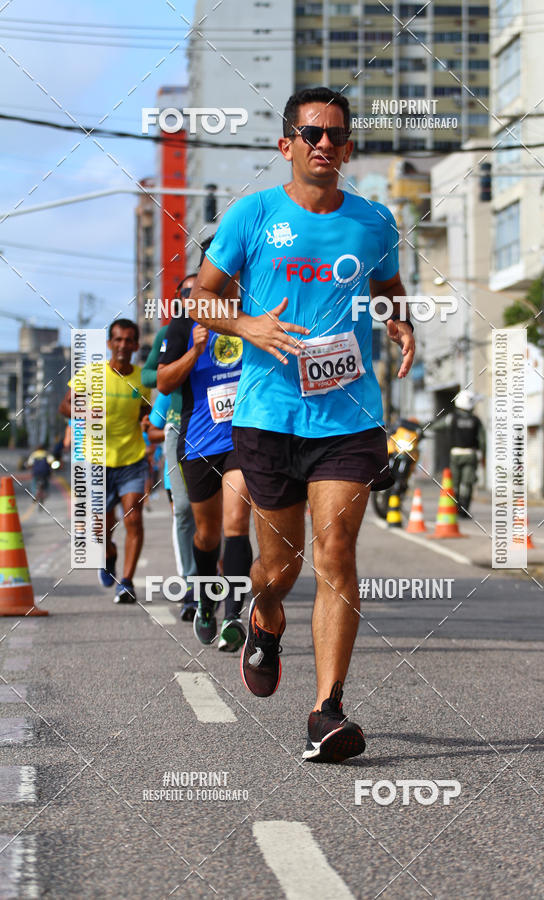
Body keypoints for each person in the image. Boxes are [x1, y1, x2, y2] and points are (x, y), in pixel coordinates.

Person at [188, 86, 415, 762]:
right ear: (285, 144)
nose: (324, 144)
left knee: (337, 550)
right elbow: (199, 297)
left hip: (349, 419)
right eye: (310, 134)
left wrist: (400, 320)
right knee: (278, 567)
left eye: (335, 136)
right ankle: (263, 620)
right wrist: (247, 322)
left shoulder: (374, 223)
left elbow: (389, 289)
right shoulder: (252, 215)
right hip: (269, 419)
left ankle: (328, 710)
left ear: (349, 148)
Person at [157, 265, 253, 650]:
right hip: (198, 442)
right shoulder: (183, 324)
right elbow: (163, 381)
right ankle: (204, 601)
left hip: (243, 439)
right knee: (206, 532)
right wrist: (195, 350)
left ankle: (233, 614)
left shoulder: (250, 314)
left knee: (236, 521)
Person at [59, 319, 151, 603]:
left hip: (131, 459)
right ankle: (108, 556)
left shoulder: (141, 379)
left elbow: (144, 413)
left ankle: (126, 582)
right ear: (110, 344)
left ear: (136, 345)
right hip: (96, 462)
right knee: (101, 529)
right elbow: (64, 405)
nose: (123, 345)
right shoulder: (91, 374)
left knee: (133, 518)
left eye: (129, 340)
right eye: (118, 340)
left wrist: (148, 422)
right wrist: (83, 413)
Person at [141, 279, 197, 600]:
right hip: (179, 425)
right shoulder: (170, 332)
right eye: (187, 292)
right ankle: (191, 582)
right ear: (178, 298)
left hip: (223, 428)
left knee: (229, 512)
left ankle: (224, 581)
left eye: (198, 289)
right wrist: (176, 369)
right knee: (184, 508)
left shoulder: (227, 322)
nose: (193, 296)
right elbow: (151, 375)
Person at [447, 390, 486, 517]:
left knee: (455, 482)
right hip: (470, 455)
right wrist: (483, 455)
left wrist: (421, 431)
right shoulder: (476, 420)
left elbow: (436, 426)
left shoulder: (451, 418)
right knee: (467, 482)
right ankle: (464, 509)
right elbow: (482, 440)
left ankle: (456, 507)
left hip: (455, 455)